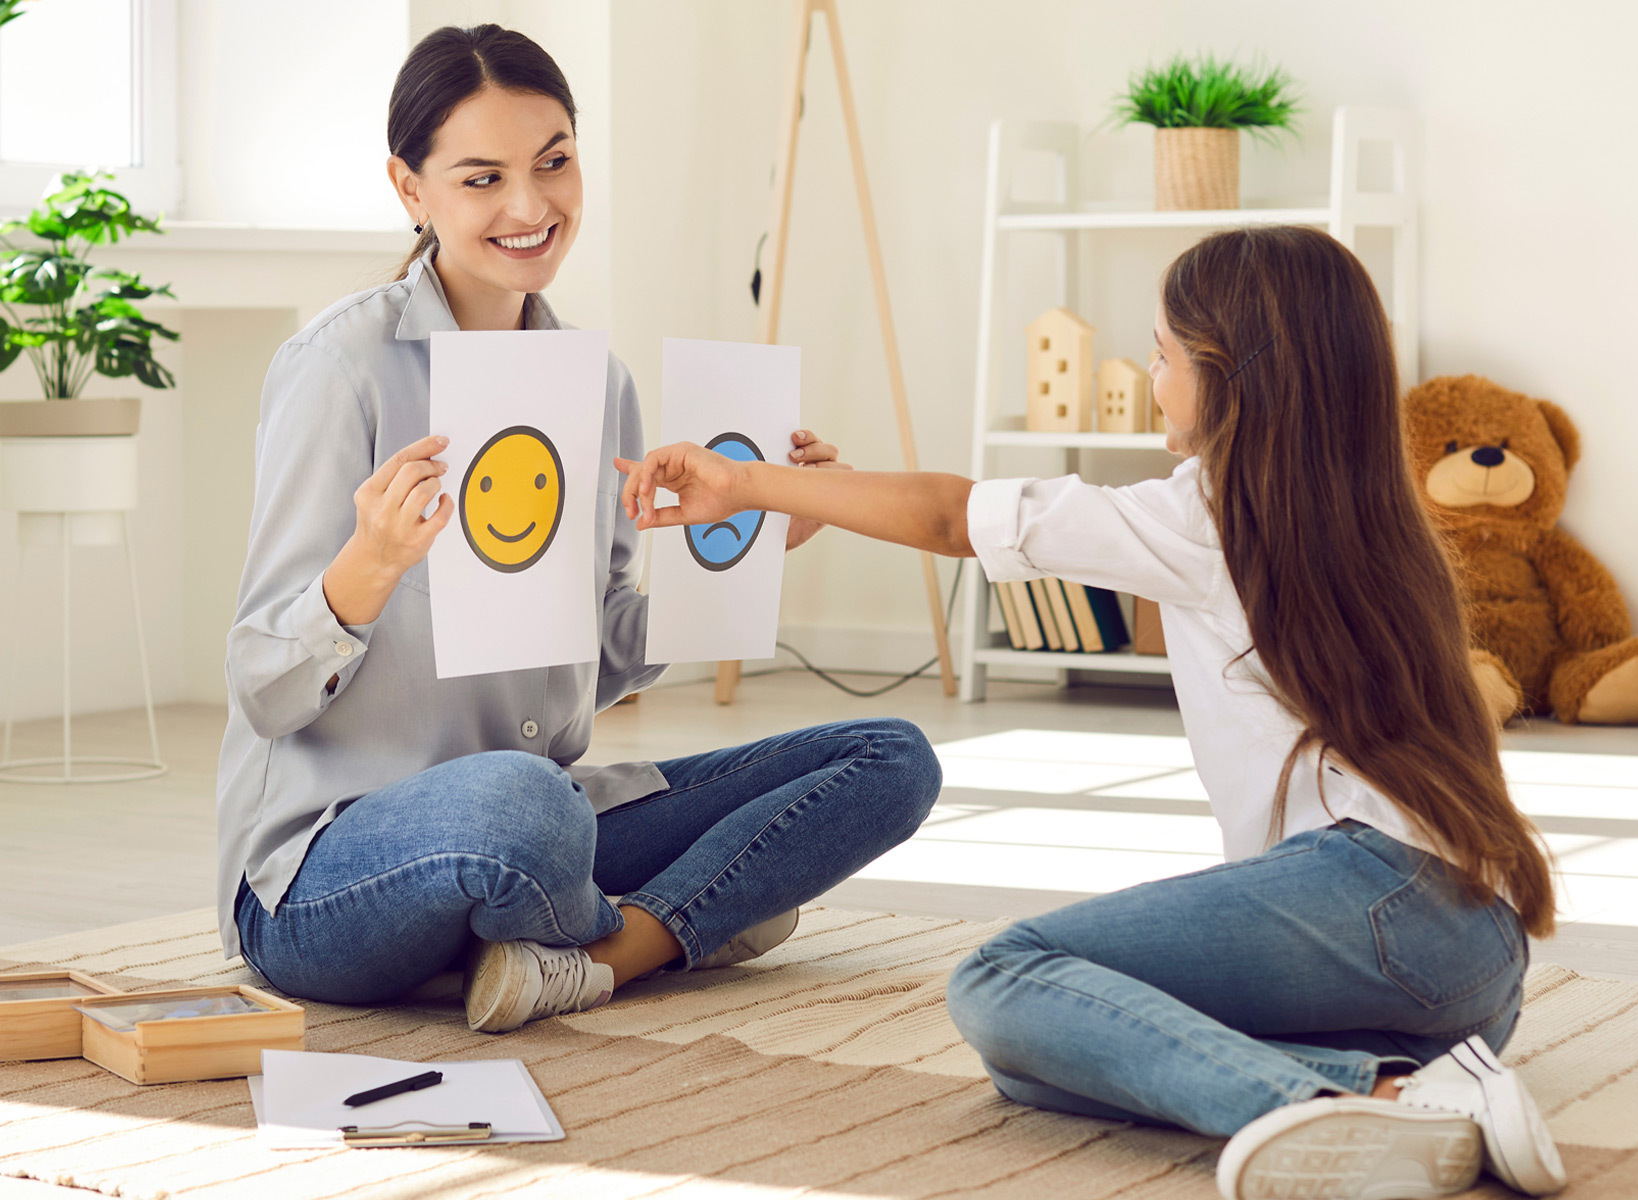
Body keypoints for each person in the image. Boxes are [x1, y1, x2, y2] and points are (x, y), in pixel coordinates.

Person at [618, 225, 1567, 1200]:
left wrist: (737, 482)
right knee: (1039, 1057)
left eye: (1162, 352)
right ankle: (1412, 1088)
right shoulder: (1387, 520)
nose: (1151, 375)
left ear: (1231, 373)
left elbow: (957, 518)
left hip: (1370, 906)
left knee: (1006, 978)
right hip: (1477, 976)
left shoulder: (1210, 513)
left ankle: (1320, 1108)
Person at [218, 24, 942, 1035]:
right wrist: (368, 567)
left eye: (555, 162)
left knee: (890, 758)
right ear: (410, 189)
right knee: (527, 804)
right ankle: (696, 915)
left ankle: (607, 949)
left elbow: (599, 653)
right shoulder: (339, 369)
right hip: (326, 875)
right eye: (483, 179)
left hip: (545, 825)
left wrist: (751, 543)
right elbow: (261, 683)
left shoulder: (595, 386)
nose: (531, 206)